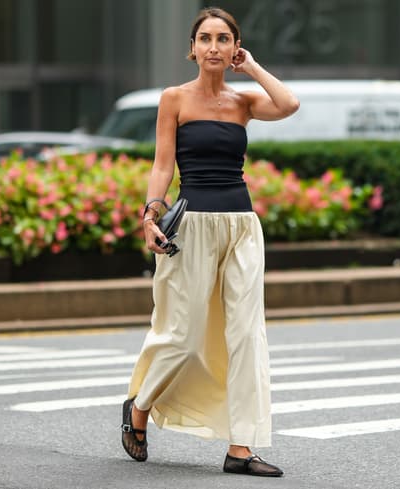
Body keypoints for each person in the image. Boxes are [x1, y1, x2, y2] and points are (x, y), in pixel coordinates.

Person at [120, 6, 299, 478]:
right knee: (181, 335)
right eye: (205, 38)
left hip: (241, 226)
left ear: (235, 47)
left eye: (223, 39)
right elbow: (163, 164)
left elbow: (288, 104)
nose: (214, 47)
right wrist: (149, 214)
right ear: (193, 48)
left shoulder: (244, 102)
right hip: (191, 226)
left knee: (246, 335)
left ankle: (241, 447)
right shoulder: (174, 99)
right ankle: (139, 406)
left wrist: (253, 67)